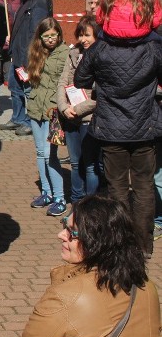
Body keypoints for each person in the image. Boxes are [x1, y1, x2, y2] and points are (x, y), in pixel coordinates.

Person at [0, 195, 162, 337]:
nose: (61, 235)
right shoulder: (145, 286)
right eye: (64, 226)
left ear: (96, 241)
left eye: (72, 233)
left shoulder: (65, 296)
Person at [75, 12, 162, 256]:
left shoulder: (101, 48)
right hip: (143, 126)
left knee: (117, 188)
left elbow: (80, 78)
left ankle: (121, 244)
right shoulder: (153, 47)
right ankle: (144, 245)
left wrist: (103, 80)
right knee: (144, 187)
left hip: (112, 128)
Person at [26, 18, 69, 216]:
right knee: (39, 152)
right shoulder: (37, 51)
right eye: (46, 36)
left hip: (53, 109)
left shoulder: (65, 53)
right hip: (36, 105)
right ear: (40, 37)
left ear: (59, 35)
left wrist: (58, 104)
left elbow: (65, 81)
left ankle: (60, 196)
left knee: (49, 153)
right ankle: (47, 191)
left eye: (54, 35)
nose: (51, 39)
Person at [57, 17, 102, 204]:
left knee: (90, 165)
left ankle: (91, 205)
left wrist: (78, 109)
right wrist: (64, 107)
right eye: (81, 35)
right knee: (75, 163)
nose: (84, 39)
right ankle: (76, 203)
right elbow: (62, 82)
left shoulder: (101, 55)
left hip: (89, 117)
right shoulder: (73, 53)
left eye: (88, 35)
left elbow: (100, 92)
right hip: (70, 117)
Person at [2, 0, 51, 136]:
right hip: (17, 52)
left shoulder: (40, 3)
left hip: (27, 56)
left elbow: (35, 33)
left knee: (28, 90)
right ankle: (18, 118)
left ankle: (30, 122)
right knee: (15, 87)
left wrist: (28, 58)